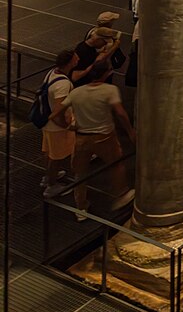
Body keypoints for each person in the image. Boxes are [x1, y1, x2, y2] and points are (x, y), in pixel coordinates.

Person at [67, 60, 135, 220]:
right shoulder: (110, 90)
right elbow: (120, 113)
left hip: (82, 138)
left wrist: (69, 126)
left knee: (80, 172)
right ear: (107, 73)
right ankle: (121, 194)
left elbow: (57, 112)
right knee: (116, 164)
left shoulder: (77, 92)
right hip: (104, 136)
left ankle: (80, 207)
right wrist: (130, 131)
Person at [40, 50, 77, 197]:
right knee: (57, 157)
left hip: (48, 126)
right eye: (76, 58)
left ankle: (48, 176)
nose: (78, 59)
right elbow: (58, 111)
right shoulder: (63, 84)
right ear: (70, 63)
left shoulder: (52, 73)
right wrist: (66, 126)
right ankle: (52, 185)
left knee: (48, 151)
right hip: (57, 128)